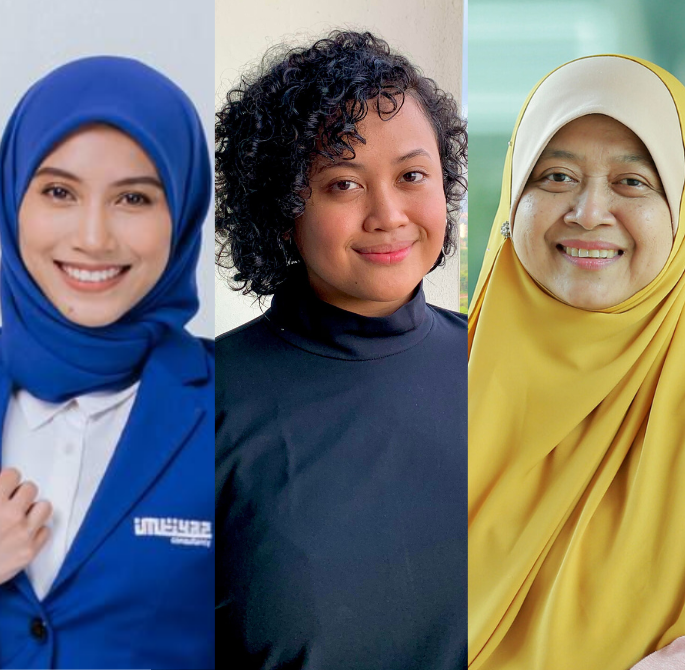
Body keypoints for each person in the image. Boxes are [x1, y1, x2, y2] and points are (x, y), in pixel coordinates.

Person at [214, 31, 468, 669]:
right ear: (282, 210)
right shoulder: (195, 402)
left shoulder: (504, 367)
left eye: (412, 175)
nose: (388, 214)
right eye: (343, 184)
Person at [468, 55, 685, 670]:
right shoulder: (433, 367)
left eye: (632, 183)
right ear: (513, 196)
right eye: (555, 177)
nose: (588, 212)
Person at [0, 56, 214, 669]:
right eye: (59, 191)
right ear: (13, 199)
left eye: (133, 198)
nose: (92, 237)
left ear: (183, 213)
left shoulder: (241, 404)